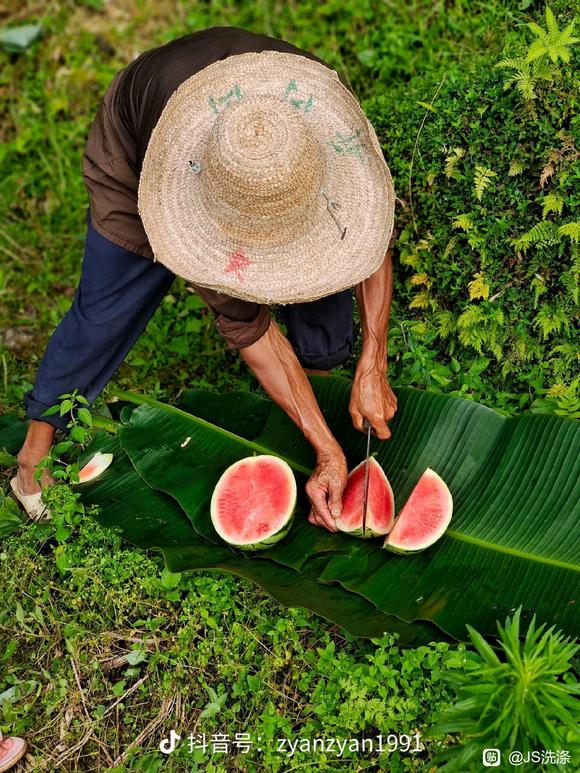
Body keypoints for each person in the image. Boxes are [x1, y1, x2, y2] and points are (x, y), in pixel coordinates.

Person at [12, 26, 398, 531]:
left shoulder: (304, 138)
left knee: (324, 281)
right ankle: (29, 464)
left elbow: (366, 238)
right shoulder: (198, 213)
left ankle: (315, 397)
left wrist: (375, 359)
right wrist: (328, 450)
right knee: (106, 309)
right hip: (142, 149)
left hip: (264, 136)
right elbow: (252, 332)